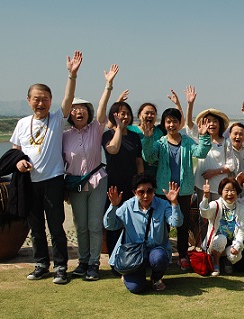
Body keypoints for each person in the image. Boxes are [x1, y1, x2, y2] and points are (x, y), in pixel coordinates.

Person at [10, 50, 83, 284]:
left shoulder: (56, 119)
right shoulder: (22, 124)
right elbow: (14, 151)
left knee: (56, 226)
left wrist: (72, 75)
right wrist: (19, 161)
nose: (40, 103)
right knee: (36, 227)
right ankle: (41, 263)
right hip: (29, 182)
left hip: (52, 180)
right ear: (29, 100)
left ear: (50, 101)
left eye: (44, 99)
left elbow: (69, 100)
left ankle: (61, 266)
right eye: (36, 99)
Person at [63, 64, 119, 280]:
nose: (79, 111)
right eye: (75, 109)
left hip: (97, 181)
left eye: (83, 109)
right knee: (80, 225)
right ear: (70, 114)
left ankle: (94, 263)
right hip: (75, 184)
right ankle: (83, 261)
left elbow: (102, 108)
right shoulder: (64, 135)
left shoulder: (96, 129)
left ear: (88, 112)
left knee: (95, 224)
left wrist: (108, 85)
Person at [141, 107, 211, 271]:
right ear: (164, 124)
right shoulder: (160, 143)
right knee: (162, 226)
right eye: (168, 121)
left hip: (184, 191)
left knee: (183, 226)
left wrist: (204, 136)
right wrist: (147, 138)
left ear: (180, 123)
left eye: (174, 121)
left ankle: (183, 255)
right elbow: (149, 156)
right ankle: (162, 255)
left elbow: (200, 153)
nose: (171, 124)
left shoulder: (186, 141)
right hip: (163, 192)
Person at [104, 173, 183, 293]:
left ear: (154, 191)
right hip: (134, 253)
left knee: (159, 258)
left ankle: (156, 278)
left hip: (156, 249)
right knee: (135, 288)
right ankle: (130, 275)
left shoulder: (162, 204)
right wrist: (113, 206)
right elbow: (110, 225)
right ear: (134, 192)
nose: (146, 196)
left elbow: (176, 222)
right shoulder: (127, 206)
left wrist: (174, 203)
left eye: (150, 191)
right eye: (141, 192)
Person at [102, 101, 144, 268]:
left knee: (132, 222)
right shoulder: (108, 135)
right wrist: (118, 129)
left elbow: (139, 161)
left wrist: (141, 183)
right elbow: (113, 149)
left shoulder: (134, 137)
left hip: (132, 185)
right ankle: (114, 261)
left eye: (127, 113)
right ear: (114, 115)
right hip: (113, 185)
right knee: (114, 223)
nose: (125, 116)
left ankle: (132, 258)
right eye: (121, 113)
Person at [184, 86, 235, 202]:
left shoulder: (226, 142)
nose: (211, 124)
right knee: (203, 216)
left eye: (215, 121)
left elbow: (231, 165)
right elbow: (189, 125)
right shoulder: (199, 138)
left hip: (220, 186)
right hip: (201, 184)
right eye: (208, 121)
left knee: (218, 215)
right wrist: (190, 104)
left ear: (220, 124)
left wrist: (215, 172)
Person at [199, 178, 244, 276]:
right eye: (227, 190)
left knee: (236, 255)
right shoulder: (216, 205)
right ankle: (215, 262)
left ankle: (227, 260)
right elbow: (204, 213)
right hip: (215, 241)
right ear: (221, 192)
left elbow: (241, 230)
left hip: (230, 242)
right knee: (221, 239)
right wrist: (205, 196)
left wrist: (236, 246)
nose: (230, 194)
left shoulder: (242, 209)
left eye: (233, 190)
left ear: (237, 192)